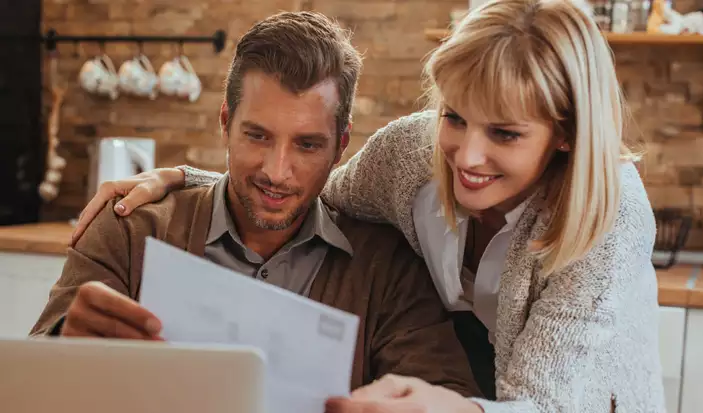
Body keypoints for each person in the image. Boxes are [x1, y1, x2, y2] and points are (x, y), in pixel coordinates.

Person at [71, 0, 666, 412]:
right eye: (454, 117)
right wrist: (187, 180)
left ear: (565, 133)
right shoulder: (412, 151)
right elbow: (307, 188)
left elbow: (542, 404)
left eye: (505, 135)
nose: (466, 156)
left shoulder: (606, 222)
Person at [30, 11, 482, 401]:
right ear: (226, 122)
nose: (277, 171)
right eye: (257, 135)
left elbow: (447, 397)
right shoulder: (129, 228)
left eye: (307, 145)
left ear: (340, 147)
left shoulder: (387, 267)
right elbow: (29, 385)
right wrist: (64, 347)